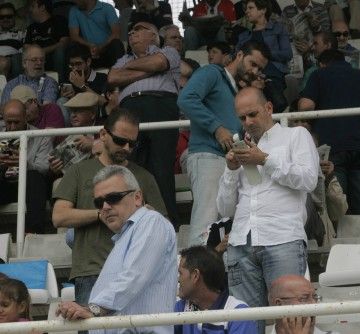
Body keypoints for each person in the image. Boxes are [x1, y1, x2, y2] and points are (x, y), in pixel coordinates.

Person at [217, 87, 319, 334]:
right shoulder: (242, 146)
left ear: (269, 108)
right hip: (241, 241)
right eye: (242, 118)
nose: (248, 122)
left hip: (282, 238)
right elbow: (224, 209)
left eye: (252, 114)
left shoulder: (296, 136)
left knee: (292, 322)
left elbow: (308, 180)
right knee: (245, 326)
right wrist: (231, 169)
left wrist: (264, 159)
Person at [52, 109, 167, 311]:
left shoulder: (144, 176)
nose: (127, 148)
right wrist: (101, 213)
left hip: (133, 271)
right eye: (120, 141)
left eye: (132, 143)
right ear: (103, 134)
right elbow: (59, 216)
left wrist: (145, 214)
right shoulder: (79, 171)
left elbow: (163, 223)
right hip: (91, 270)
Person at [56, 165, 177, 334]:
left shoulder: (151, 221)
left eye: (113, 198)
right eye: (98, 202)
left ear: (137, 197)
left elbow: (134, 276)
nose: (105, 207)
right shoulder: (125, 237)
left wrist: (94, 309)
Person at [177, 41, 269, 246]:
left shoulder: (237, 91)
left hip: (229, 161)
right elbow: (186, 99)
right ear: (239, 55)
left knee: (224, 225)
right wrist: (216, 128)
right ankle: (194, 274)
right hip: (207, 155)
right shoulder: (212, 72)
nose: (255, 71)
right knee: (206, 222)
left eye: (259, 69)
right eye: (252, 64)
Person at [299, 49, 360, 214]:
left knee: (337, 206)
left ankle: (340, 240)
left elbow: (306, 106)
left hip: (333, 148)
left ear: (321, 64)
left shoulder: (319, 75)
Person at [108, 21, 181, 227]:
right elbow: (113, 77)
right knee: (132, 165)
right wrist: (147, 70)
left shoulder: (168, 51)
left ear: (154, 35)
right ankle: (135, 222)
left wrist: (130, 70)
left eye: (139, 30)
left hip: (161, 105)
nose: (132, 34)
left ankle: (169, 223)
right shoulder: (123, 57)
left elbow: (158, 64)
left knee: (162, 166)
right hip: (130, 109)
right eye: (130, 32)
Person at [175, 246, 257, 334]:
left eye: (180, 273)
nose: (178, 279)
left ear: (195, 276)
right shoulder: (182, 306)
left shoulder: (239, 314)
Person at [0, 99, 52, 233]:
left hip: (29, 187)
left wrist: (24, 163)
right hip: (4, 185)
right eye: (8, 122)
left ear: (25, 118)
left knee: (34, 177)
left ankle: (33, 233)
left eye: (16, 122)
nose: (12, 127)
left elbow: (44, 169)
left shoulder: (41, 136)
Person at [236, 0, 292, 113]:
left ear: (263, 10)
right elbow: (236, 57)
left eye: (250, 8)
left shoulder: (278, 29)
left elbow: (287, 54)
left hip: (273, 70)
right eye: (246, 9)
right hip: (250, 74)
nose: (246, 11)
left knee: (269, 84)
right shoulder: (244, 36)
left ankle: (278, 112)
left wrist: (263, 56)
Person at [58, 43, 108, 125]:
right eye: (72, 65)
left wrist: (82, 86)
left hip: (96, 119)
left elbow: (105, 103)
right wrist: (67, 96)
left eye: (78, 64)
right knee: (61, 100)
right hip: (74, 119)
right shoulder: (69, 79)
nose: (75, 68)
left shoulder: (102, 78)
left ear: (88, 62)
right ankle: (66, 135)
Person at [68, 0, 124, 68]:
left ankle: (121, 74)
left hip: (107, 49)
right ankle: (74, 77)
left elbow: (116, 33)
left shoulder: (107, 8)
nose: (75, 1)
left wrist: (100, 47)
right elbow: (74, 36)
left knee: (116, 44)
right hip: (88, 51)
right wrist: (90, 45)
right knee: (73, 46)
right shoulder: (74, 10)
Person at [25, 0, 69, 81]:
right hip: (35, 57)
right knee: (17, 58)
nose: (30, 10)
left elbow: (64, 42)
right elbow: (26, 47)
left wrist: (42, 51)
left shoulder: (59, 20)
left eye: (33, 6)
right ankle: (22, 86)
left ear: (42, 7)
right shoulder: (31, 27)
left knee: (59, 52)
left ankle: (61, 85)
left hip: (53, 56)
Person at [0, 3, 24, 77]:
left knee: (3, 62)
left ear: (14, 17)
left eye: (9, 17)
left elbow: (26, 52)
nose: (5, 19)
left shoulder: (21, 34)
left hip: (10, 61)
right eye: (2, 17)